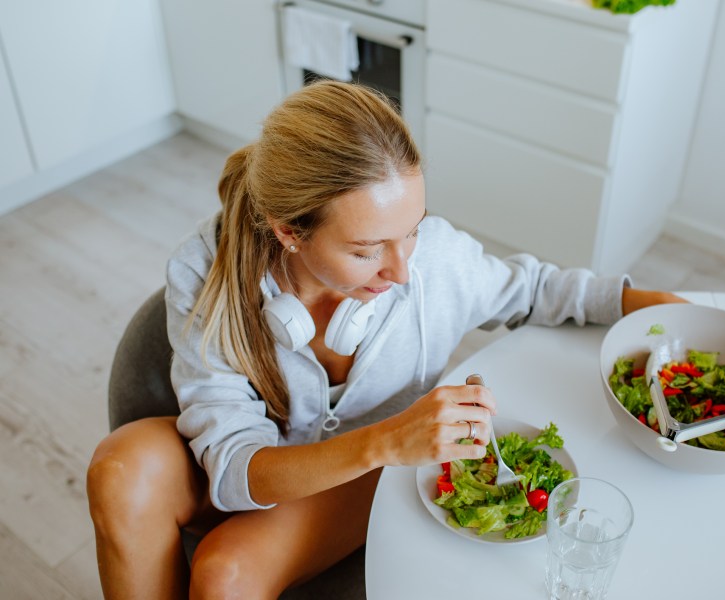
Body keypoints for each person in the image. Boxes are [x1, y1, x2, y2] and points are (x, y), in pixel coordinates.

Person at [86, 80, 685, 599]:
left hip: (358, 477)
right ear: (289, 232)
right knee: (120, 467)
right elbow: (234, 471)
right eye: (366, 250)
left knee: (225, 574)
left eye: (413, 233)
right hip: (277, 462)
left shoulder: (436, 264)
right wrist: (387, 441)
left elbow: (534, 289)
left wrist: (636, 300)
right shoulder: (206, 271)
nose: (401, 272)